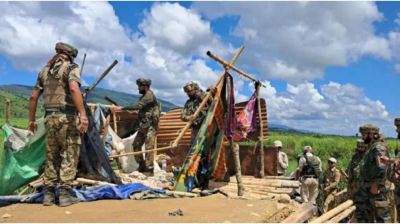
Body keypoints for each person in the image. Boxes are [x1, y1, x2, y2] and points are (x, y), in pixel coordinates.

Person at [28, 42, 88, 207]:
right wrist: (83, 115)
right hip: (66, 119)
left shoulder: (44, 71)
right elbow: (74, 89)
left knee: (51, 156)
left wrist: (31, 121)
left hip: (49, 119)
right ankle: (64, 195)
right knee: (69, 154)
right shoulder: (71, 68)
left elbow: (33, 97)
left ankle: (48, 195)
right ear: (70, 55)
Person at [113, 78, 160, 172]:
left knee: (148, 147)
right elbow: (142, 110)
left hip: (150, 126)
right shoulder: (144, 97)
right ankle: (142, 166)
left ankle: (149, 169)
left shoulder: (149, 95)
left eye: (140, 86)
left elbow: (138, 106)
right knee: (136, 145)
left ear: (145, 87)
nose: (138, 88)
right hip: (144, 125)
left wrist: (122, 108)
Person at [354, 124, 391, 223]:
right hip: (368, 186)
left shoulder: (378, 147)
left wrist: (376, 184)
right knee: (366, 213)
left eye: (364, 134)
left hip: (375, 188)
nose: (362, 137)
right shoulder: (372, 146)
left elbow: (382, 167)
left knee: (381, 214)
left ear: (372, 134)